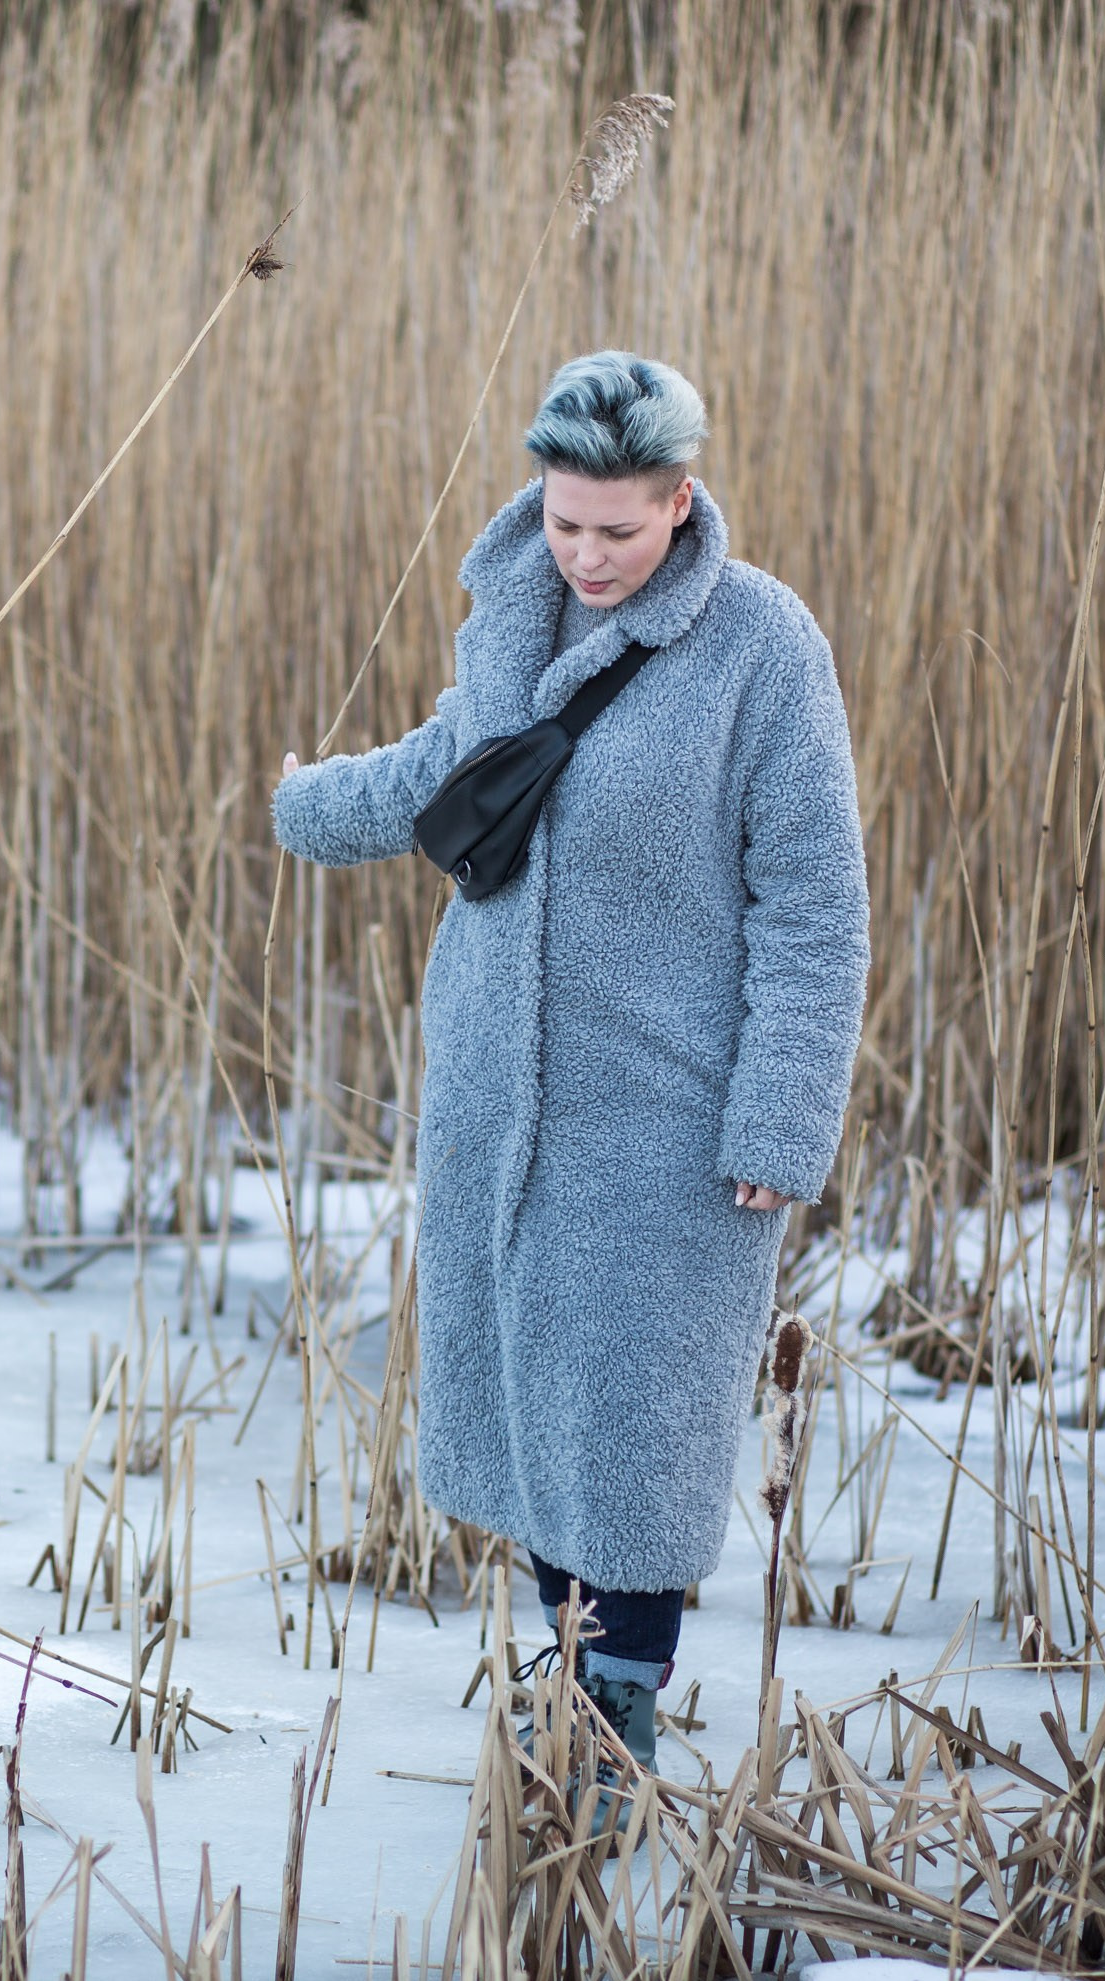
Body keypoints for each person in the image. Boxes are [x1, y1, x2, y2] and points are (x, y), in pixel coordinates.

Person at [273, 353, 869, 1782]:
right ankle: (572, 1666)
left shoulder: (761, 650)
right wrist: (306, 803)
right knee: (538, 1410)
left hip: (666, 1121)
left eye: (621, 527)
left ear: (682, 500)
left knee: (637, 1431)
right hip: (498, 1103)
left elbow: (815, 906)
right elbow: (454, 767)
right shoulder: (514, 617)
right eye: (565, 521)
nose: (589, 555)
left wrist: (780, 1119)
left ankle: (615, 1708)